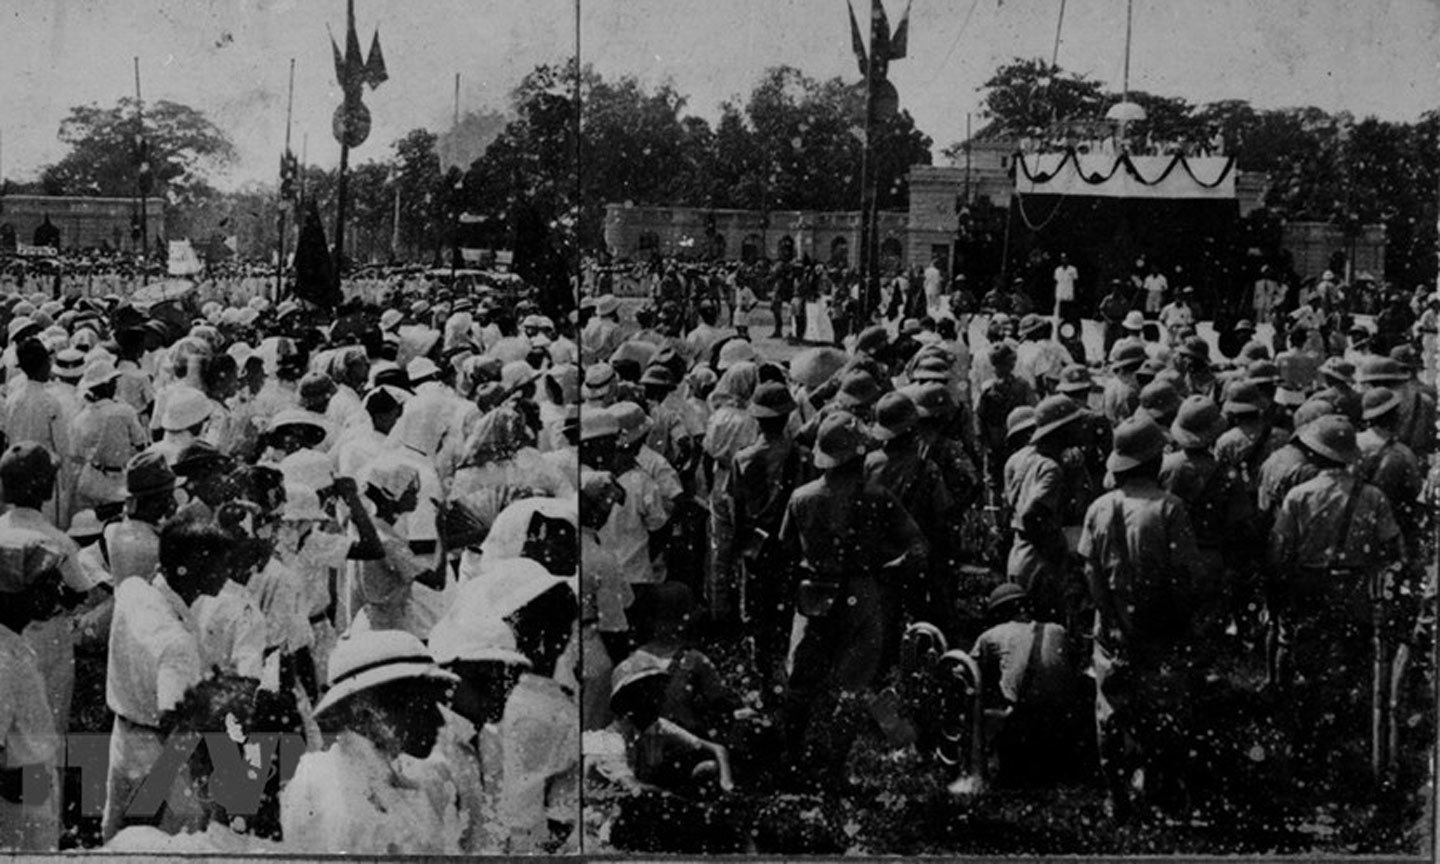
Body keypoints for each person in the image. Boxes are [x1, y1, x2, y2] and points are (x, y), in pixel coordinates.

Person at [776, 411, 927, 788]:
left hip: (813, 594)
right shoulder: (878, 497)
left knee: (801, 682)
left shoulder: (801, 498)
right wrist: (890, 566)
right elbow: (917, 546)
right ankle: (834, 766)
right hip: (862, 592)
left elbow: (784, 550)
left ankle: (790, 759)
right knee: (853, 683)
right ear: (859, 456)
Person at [1080, 414, 1205, 822]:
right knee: (1165, 712)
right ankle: (1160, 789)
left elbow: (1090, 571)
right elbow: (1185, 575)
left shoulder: (1099, 508)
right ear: (1154, 463)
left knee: (1112, 714)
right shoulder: (1171, 509)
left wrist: (1109, 617)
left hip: (1112, 627)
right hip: (1162, 627)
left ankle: (1117, 795)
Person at [103, 515, 235, 841]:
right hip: (159, 761)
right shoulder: (177, 644)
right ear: (187, 570)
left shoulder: (133, 589)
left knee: (118, 842)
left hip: (123, 737)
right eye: (218, 566)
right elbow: (175, 727)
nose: (226, 574)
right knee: (163, 844)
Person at [281, 630, 464, 854]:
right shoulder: (330, 793)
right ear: (363, 714)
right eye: (419, 706)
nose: (437, 719)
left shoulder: (414, 778)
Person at [0, 522, 67, 850]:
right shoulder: (2, 662)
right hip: (16, 812)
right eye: (45, 585)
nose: (57, 593)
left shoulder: (16, 643)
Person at [971, 583, 1078, 787]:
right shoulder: (1058, 630)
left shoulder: (991, 635)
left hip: (1024, 726)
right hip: (1065, 723)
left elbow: (965, 673)